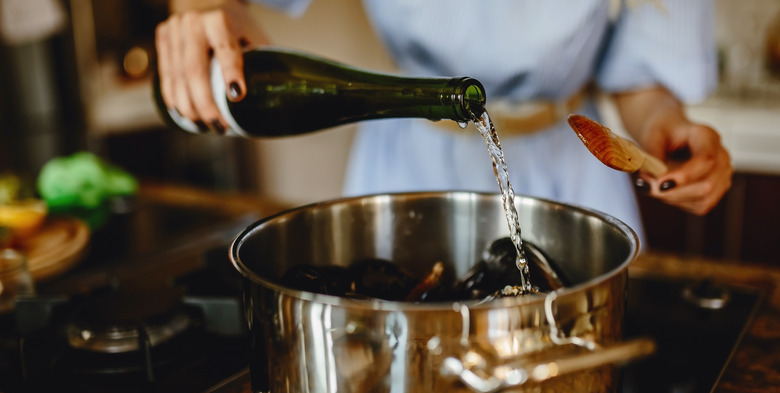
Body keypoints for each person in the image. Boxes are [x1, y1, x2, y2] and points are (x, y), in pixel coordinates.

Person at [154, 0, 733, 242]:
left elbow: (640, 79)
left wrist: (662, 124)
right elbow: (215, 6)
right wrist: (199, 11)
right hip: (408, 158)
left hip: (568, 171)